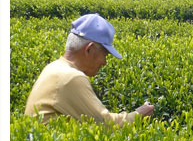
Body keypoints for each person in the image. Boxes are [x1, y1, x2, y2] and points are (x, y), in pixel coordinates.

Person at [24, 13, 154, 126]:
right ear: (89, 49)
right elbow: (105, 125)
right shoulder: (71, 77)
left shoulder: (54, 67)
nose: (104, 62)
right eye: (105, 55)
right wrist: (138, 115)